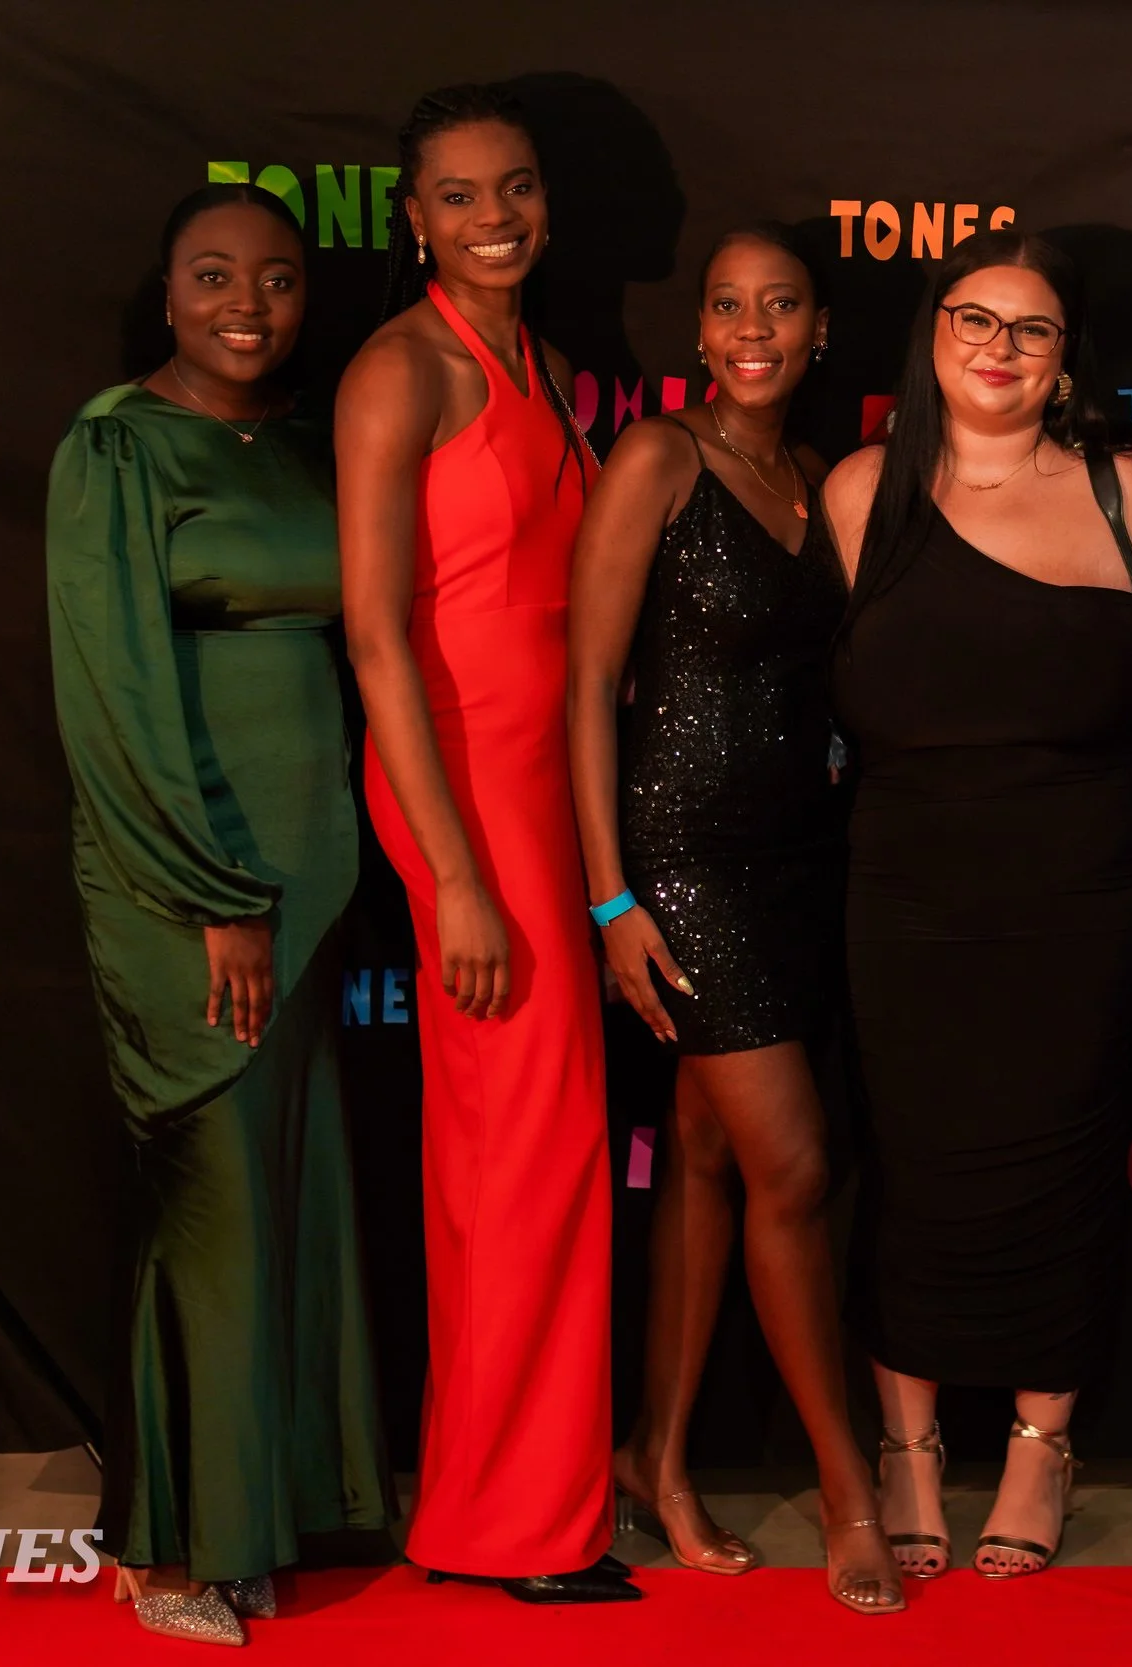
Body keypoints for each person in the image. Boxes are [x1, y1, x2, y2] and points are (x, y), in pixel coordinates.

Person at [47, 183, 392, 1647]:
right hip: (185, 884)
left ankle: (272, 1508)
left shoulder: (313, 444)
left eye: (277, 277)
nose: (248, 303)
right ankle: (173, 1541)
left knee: (287, 1195)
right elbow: (113, 694)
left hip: (312, 881)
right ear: (167, 289)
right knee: (215, 1214)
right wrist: (211, 897)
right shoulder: (116, 444)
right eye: (212, 275)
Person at [821, 229, 1132, 1583]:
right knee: (912, 1164)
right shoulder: (863, 491)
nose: (998, 348)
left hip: (1087, 894)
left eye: (1031, 329)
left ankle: (1042, 1439)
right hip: (906, 892)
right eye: (974, 318)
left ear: (1066, 357)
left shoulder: (1126, 487)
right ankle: (907, 1445)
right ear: (932, 332)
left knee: (1068, 1162)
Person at [566, 223, 900, 1615]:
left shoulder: (819, 480)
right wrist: (611, 894)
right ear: (698, 332)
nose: (752, 327)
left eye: (780, 306)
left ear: (820, 331)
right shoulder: (658, 459)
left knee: (706, 1156)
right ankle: (849, 1486)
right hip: (683, 863)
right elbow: (584, 687)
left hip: (797, 860)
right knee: (798, 1166)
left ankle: (657, 1450)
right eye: (726, 306)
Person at [336, 84, 633, 1604]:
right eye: (456, 195)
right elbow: (379, 638)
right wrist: (449, 867)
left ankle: (514, 1501)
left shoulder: (555, 372)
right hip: (462, 789)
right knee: (523, 1151)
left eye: (512, 188)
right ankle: (501, 1527)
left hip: (538, 783)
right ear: (413, 217)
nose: (493, 217)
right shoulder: (401, 373)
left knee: (531, 1151)